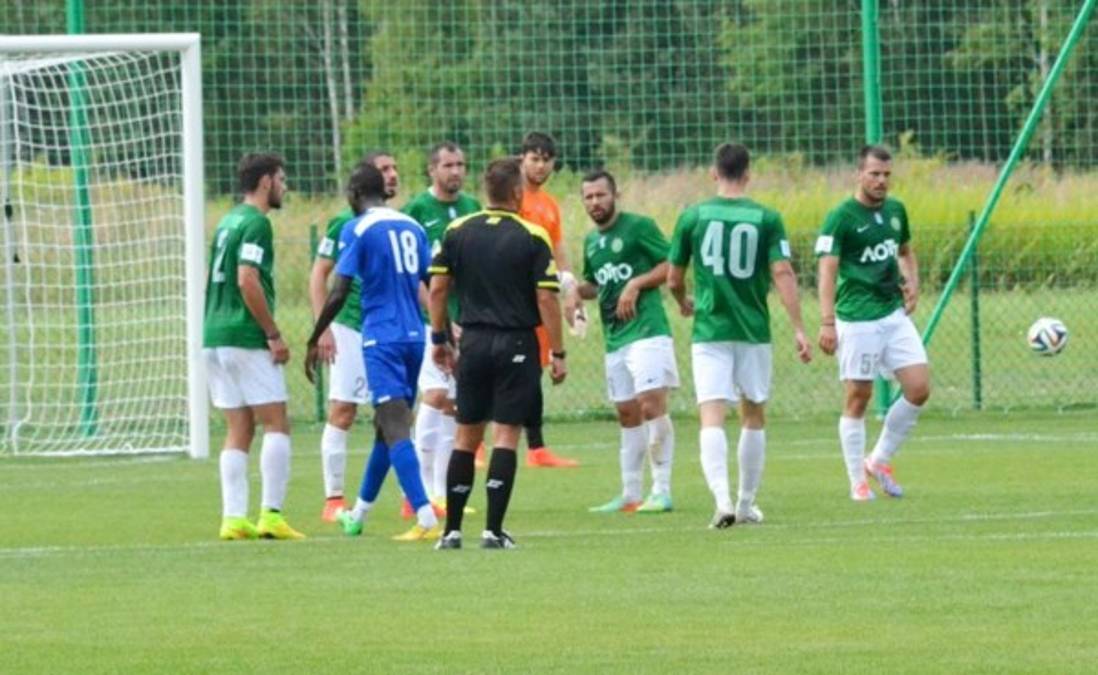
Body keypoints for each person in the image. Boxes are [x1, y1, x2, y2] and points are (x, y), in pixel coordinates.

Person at [668, 143, 811, 529]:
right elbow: (782, 272)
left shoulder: (693, 216)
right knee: (753, 413)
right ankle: (747, 504)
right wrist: (799, 327)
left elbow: (674, 278)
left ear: (714, 173)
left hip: (710, 329)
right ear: (748, 174)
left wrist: (683, 301)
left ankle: (723, 500)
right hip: (753, 330)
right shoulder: (767, 217)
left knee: (711, 415)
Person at [428, 157, 566, 550]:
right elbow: (546, 297)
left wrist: (440, 339)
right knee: (506, 434)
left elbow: (438, 290)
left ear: (487, 191)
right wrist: (558, 352)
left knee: (465, 436)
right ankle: (492, 531)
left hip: (471, 342)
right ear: (518, 192)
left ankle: (451, 531)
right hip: (517, 343)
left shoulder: (458, 230)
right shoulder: (533, 235)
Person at [305, 161, 440, 542]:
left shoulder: (357, 227)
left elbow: (339, 289)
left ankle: (426, 515)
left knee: (395, 426)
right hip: (416, 335)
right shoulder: (412, 226)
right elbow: (432, 282)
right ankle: (359, 513)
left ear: (353, 194)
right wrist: (443, 331)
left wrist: (315, 335)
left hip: (381, 337)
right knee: (386, 427)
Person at [816, 144, 930, 501]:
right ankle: (857, 482)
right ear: (859, 174)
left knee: (919, 388)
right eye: (874, 174)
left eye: (886, 175)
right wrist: (827, 321)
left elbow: (905, 251)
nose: (881, 181)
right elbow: (827, 269)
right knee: (858, 396)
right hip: (856, 319)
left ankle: (878, 460)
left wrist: (912, 282)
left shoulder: (896, 211)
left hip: (892, 314)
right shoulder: (841, 217)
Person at [203, 152, 303, 541]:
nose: (284, 186)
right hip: (245, 335)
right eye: (281, 178)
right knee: (277, 421)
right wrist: (273, 333)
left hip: (214, 336)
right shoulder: (257, 223)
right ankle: (271, 515)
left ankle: (233, 519)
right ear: (265, 182)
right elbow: (247, 279)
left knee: (239, 426)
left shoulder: (228, 220)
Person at [576, 170, 678, 515]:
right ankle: (631, 493)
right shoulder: (591, 242)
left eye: (600, 195)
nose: (595, 202)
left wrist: (636, 283)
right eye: (588, 197)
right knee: (626, 412)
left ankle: (662, 491)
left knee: (651, 403)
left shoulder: (640, 227)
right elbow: (596, 284)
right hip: (614, 336)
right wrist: (573, 292)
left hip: (647, 330)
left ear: (615, 194)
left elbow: (671, 266)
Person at [309, 150, 401, 522]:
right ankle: (333, 499)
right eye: (384, 170)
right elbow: (319, 276)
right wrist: (324, 329)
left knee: (395, 415)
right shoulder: (342, 224)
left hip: (388, 329)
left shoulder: (398, 222)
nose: (391, 176)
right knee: (343, 411)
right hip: (349, 327)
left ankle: (412, 497)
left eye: (394, 169)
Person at [401, 142, 481, 511]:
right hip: (431, 323)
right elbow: (415, 275)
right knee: (433, 397)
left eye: (461, 164)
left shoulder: (471, 209)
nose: (456, 171)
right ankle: (417, 493)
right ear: (432, 169)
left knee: (454, 405)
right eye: (448, 165)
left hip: (466, 321)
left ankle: (444, 493)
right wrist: (441, 322)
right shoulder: (416, 211)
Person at [517, 131, 581, 468]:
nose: (540, 166)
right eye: (534, 158)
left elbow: (558, 250)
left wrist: (570, 289)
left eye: (546, 160)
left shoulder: (549, 204)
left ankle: (537, 448)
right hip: (512, 298)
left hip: (541, 298)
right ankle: (476, 444)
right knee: (502, 369)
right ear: (522, 159)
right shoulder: (513, 197)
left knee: (533, 370)